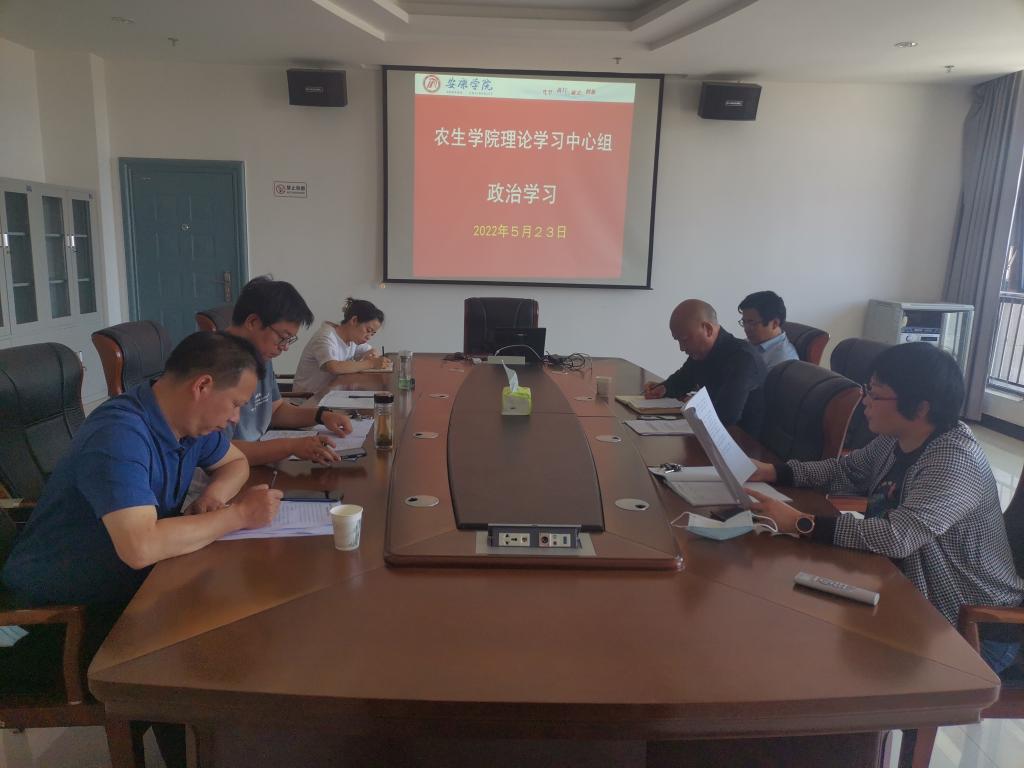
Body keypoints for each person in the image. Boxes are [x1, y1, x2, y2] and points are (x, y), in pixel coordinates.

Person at [1, 331, 283, 767]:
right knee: (196, 657)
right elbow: (140, 547)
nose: (234, 419)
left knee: (231, 621)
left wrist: (214, 497)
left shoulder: (184, 422)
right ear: (202, 386)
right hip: (47, 623)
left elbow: (235, 462)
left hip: (122, 594)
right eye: (235, 404)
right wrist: (238, 516)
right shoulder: (119, 435)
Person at [745, 343, 1024, 674]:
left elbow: (897, 537)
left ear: (920, 407)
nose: (865, 401)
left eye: (875, 394)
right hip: (909, 593)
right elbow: (847, 470)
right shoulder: (899, 437)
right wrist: (774, 472)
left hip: (969, 626)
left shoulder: (953, 461)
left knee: (826, 660)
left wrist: (801, 523)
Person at [224, 276, 354, 466]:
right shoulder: (216, 366)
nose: (284, 347)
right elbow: (219, 452)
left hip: (258, 457)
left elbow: (275, 410)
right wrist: (289, 447)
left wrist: (321, 416)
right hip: (234, 467)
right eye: (283, 338)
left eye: (289, 340)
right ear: (253, 322)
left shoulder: (260, 354)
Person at [643, 299, 767, 434]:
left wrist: (695, 404)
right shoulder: (701, 353)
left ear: (708, 329)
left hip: (741, 440)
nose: (681, 348)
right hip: (710, 435)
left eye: (685, 339)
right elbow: (682, 380)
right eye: (677, 340)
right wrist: (664, 388)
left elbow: (726, 416)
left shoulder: (743, 358)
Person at [293, 297, 388, 393]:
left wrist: (373, 355)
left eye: (372, 334)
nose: (369, 337)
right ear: (354, 320)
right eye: (368, 330)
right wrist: (371, 363)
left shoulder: (352, 338)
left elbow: (370, 350)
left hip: (333, 393)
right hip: (309, 398)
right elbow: (334, 367)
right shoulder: (326, 337)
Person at [737, 290, 799, 369]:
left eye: (752, 323)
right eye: (744, 322)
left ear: (775, 323)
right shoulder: (752, 341)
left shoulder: (782, 362)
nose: (746, 329)